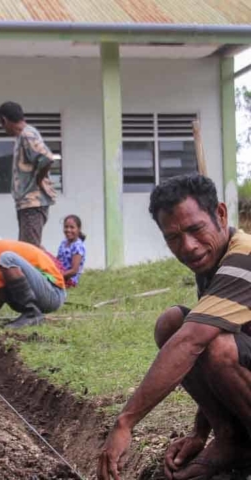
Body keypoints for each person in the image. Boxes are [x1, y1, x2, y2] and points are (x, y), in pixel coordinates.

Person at [97, 174, 251, 480]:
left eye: (196, 229)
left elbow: (193, 342)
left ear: (220, 214)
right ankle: (230, 439)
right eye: (173, 237)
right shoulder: (212, 259)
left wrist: (125, 422)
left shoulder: (242, 258)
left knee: (212, 344)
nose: (188, 247)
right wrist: (200, 430)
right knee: (173, 322)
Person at [0, 101, 57, 248]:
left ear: (4, 120)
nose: (2, 127)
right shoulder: (21, 137)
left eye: (1, 123)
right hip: (27, 203)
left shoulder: (27, 135)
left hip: (33, 203)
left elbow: (47, 158)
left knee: (29, 251)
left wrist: (38, 180)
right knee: (31, 247)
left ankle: (56, 270)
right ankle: (56, 268)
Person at [57, 215, 87, 288]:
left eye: (72, 227)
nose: (68, 230)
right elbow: (57, 260)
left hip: (69, 279)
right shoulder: (63, 243)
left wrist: (57, 276)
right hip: (59, 274)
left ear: (78, 229)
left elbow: (74, 271)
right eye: (66, 227)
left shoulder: (78, 246)